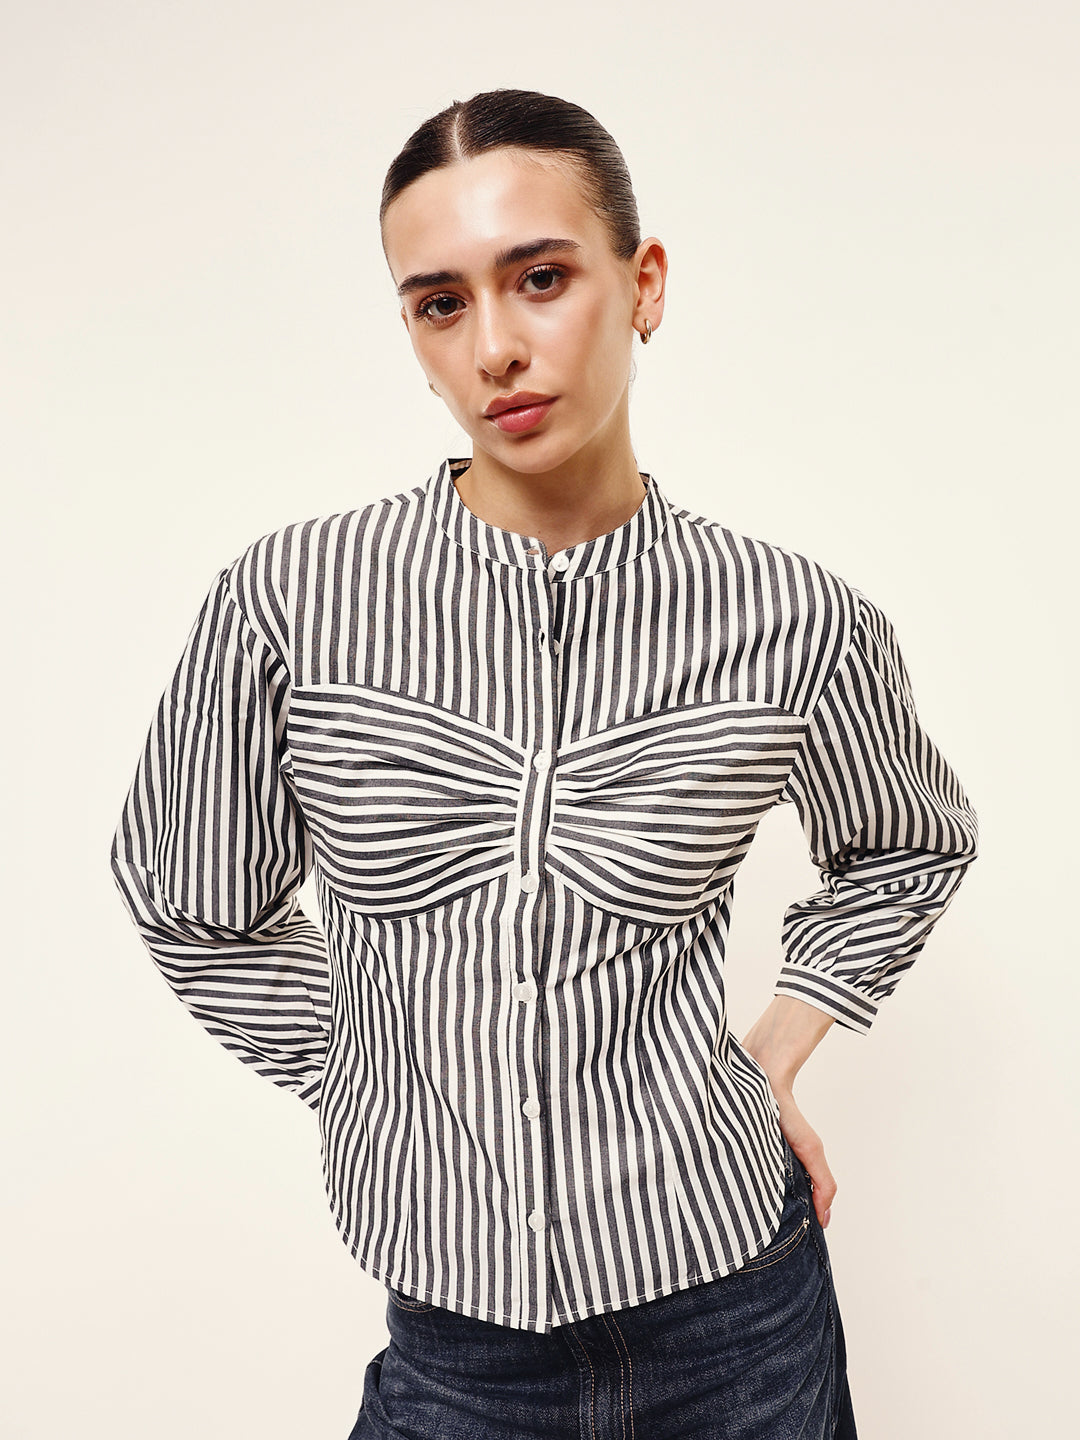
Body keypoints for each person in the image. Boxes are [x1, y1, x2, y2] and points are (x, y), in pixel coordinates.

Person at [111, 89, 978, 1439]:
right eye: (438, 304)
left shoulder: (794, 618)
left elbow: (908, 846)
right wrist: (372, 1071)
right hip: (457, 1351)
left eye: (541, 278)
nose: (496, 348)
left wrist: (774, 1051)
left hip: (739, 1312)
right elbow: (188, 893)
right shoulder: (292, 602)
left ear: (644, 285)